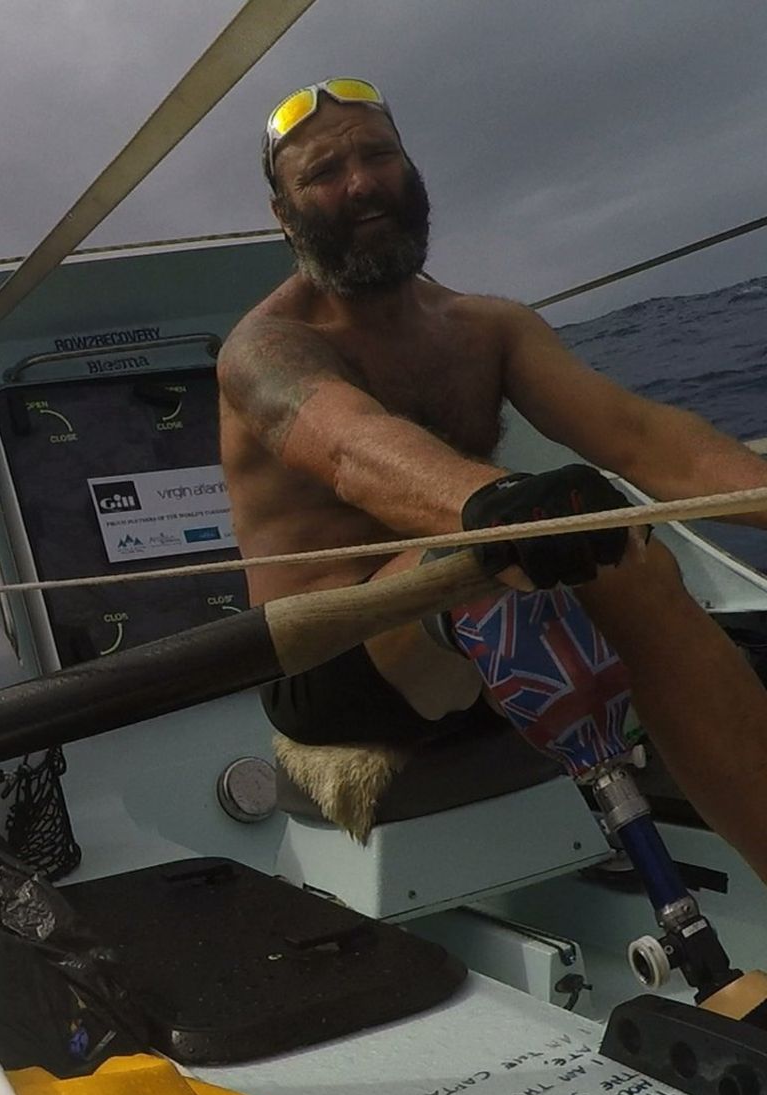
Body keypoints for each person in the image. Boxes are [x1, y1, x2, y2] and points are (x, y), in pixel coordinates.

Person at [215, 77, 767, 879]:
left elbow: (646, 439)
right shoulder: (263, 347)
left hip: (484, 602)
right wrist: (489, 506)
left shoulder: (487, 326)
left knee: (638, 562)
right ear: (283, 211)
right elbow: (349, 444)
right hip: (335, 657)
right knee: (542, 570)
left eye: (378, 155)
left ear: (411, 171)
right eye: (325, 172)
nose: (362, 181)